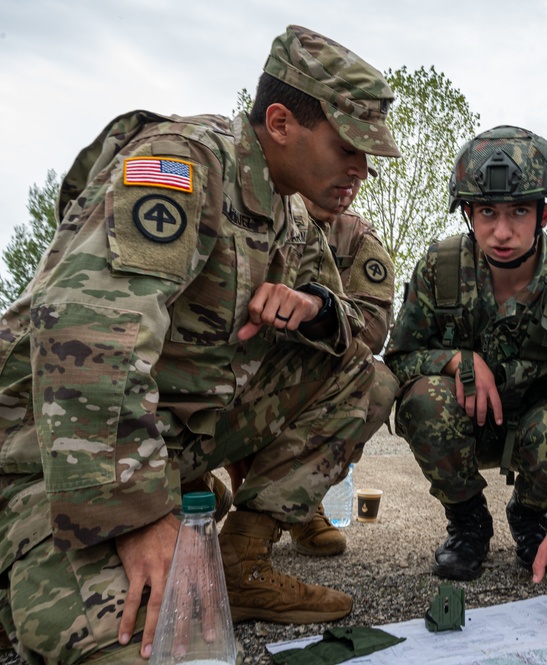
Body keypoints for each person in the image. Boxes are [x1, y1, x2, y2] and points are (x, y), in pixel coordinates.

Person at [0, 25, 401, 663]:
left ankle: (239, 562)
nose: (361, 169)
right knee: (156, 646)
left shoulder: (290, 215)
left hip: (162, 444)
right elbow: (87, 327)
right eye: (348, 147)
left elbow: (364, 331)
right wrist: (137, 515)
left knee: (366, 377)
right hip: (52, 459)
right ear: (280, 122)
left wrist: (318, 309)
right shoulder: (184, 163)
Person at [384, 125, 547, 618]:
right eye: (486, 212)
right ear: (468, 212)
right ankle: (468, 522)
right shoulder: (438, 270)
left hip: (532, 435)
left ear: (544, 212)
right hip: (463, 424)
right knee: (423, 398)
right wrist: (455, 360)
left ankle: (529, 516)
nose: (501, 232)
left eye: (518, 212)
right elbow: (397, 360)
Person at [227, 190, 398, 557]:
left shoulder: (356, 238)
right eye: (338, 156)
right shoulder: (249, 211)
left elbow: (373, 326)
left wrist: (316, 319)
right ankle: (194, 491)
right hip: (230, 373)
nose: (351, 183)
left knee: (374, 382)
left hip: (302, 373)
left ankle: (292, 508)